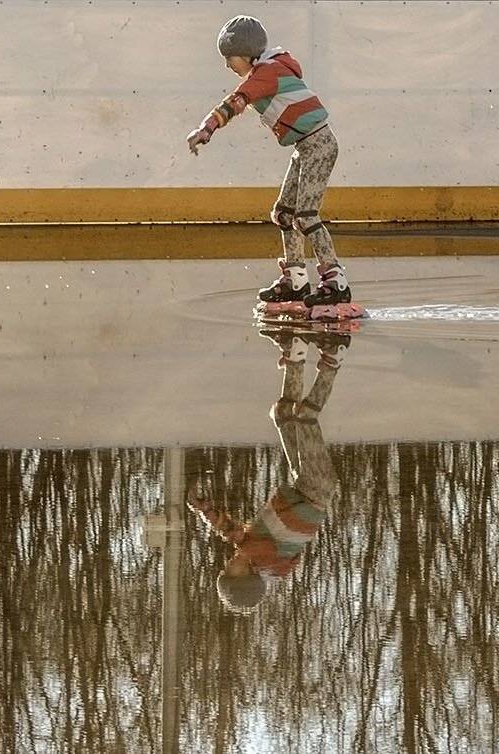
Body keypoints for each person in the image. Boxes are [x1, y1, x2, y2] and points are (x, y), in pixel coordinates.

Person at [186, 15, 352, 308]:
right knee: (284, 213)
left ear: (247, 54)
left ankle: (335, 281)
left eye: (230, 58)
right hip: (305, 146)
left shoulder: (267, 73)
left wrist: (207, 128)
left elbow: (236, 101)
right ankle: (296, 279)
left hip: (319, 145)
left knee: (306, 215)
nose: (227, 65)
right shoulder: (270, 69)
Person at [187, 329, 350, 613]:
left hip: (304, 487)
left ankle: (296, 355)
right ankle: (332, 360)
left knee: (283, 415)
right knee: (306, 417)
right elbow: (237, 537)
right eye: (232, 571)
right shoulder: (268, 562)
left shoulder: (258, 556)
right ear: (249, 575)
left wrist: (208, 512)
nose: (229, 563)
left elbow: (235, 534)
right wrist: (209, 515)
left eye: (226, 569)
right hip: (317, 488)